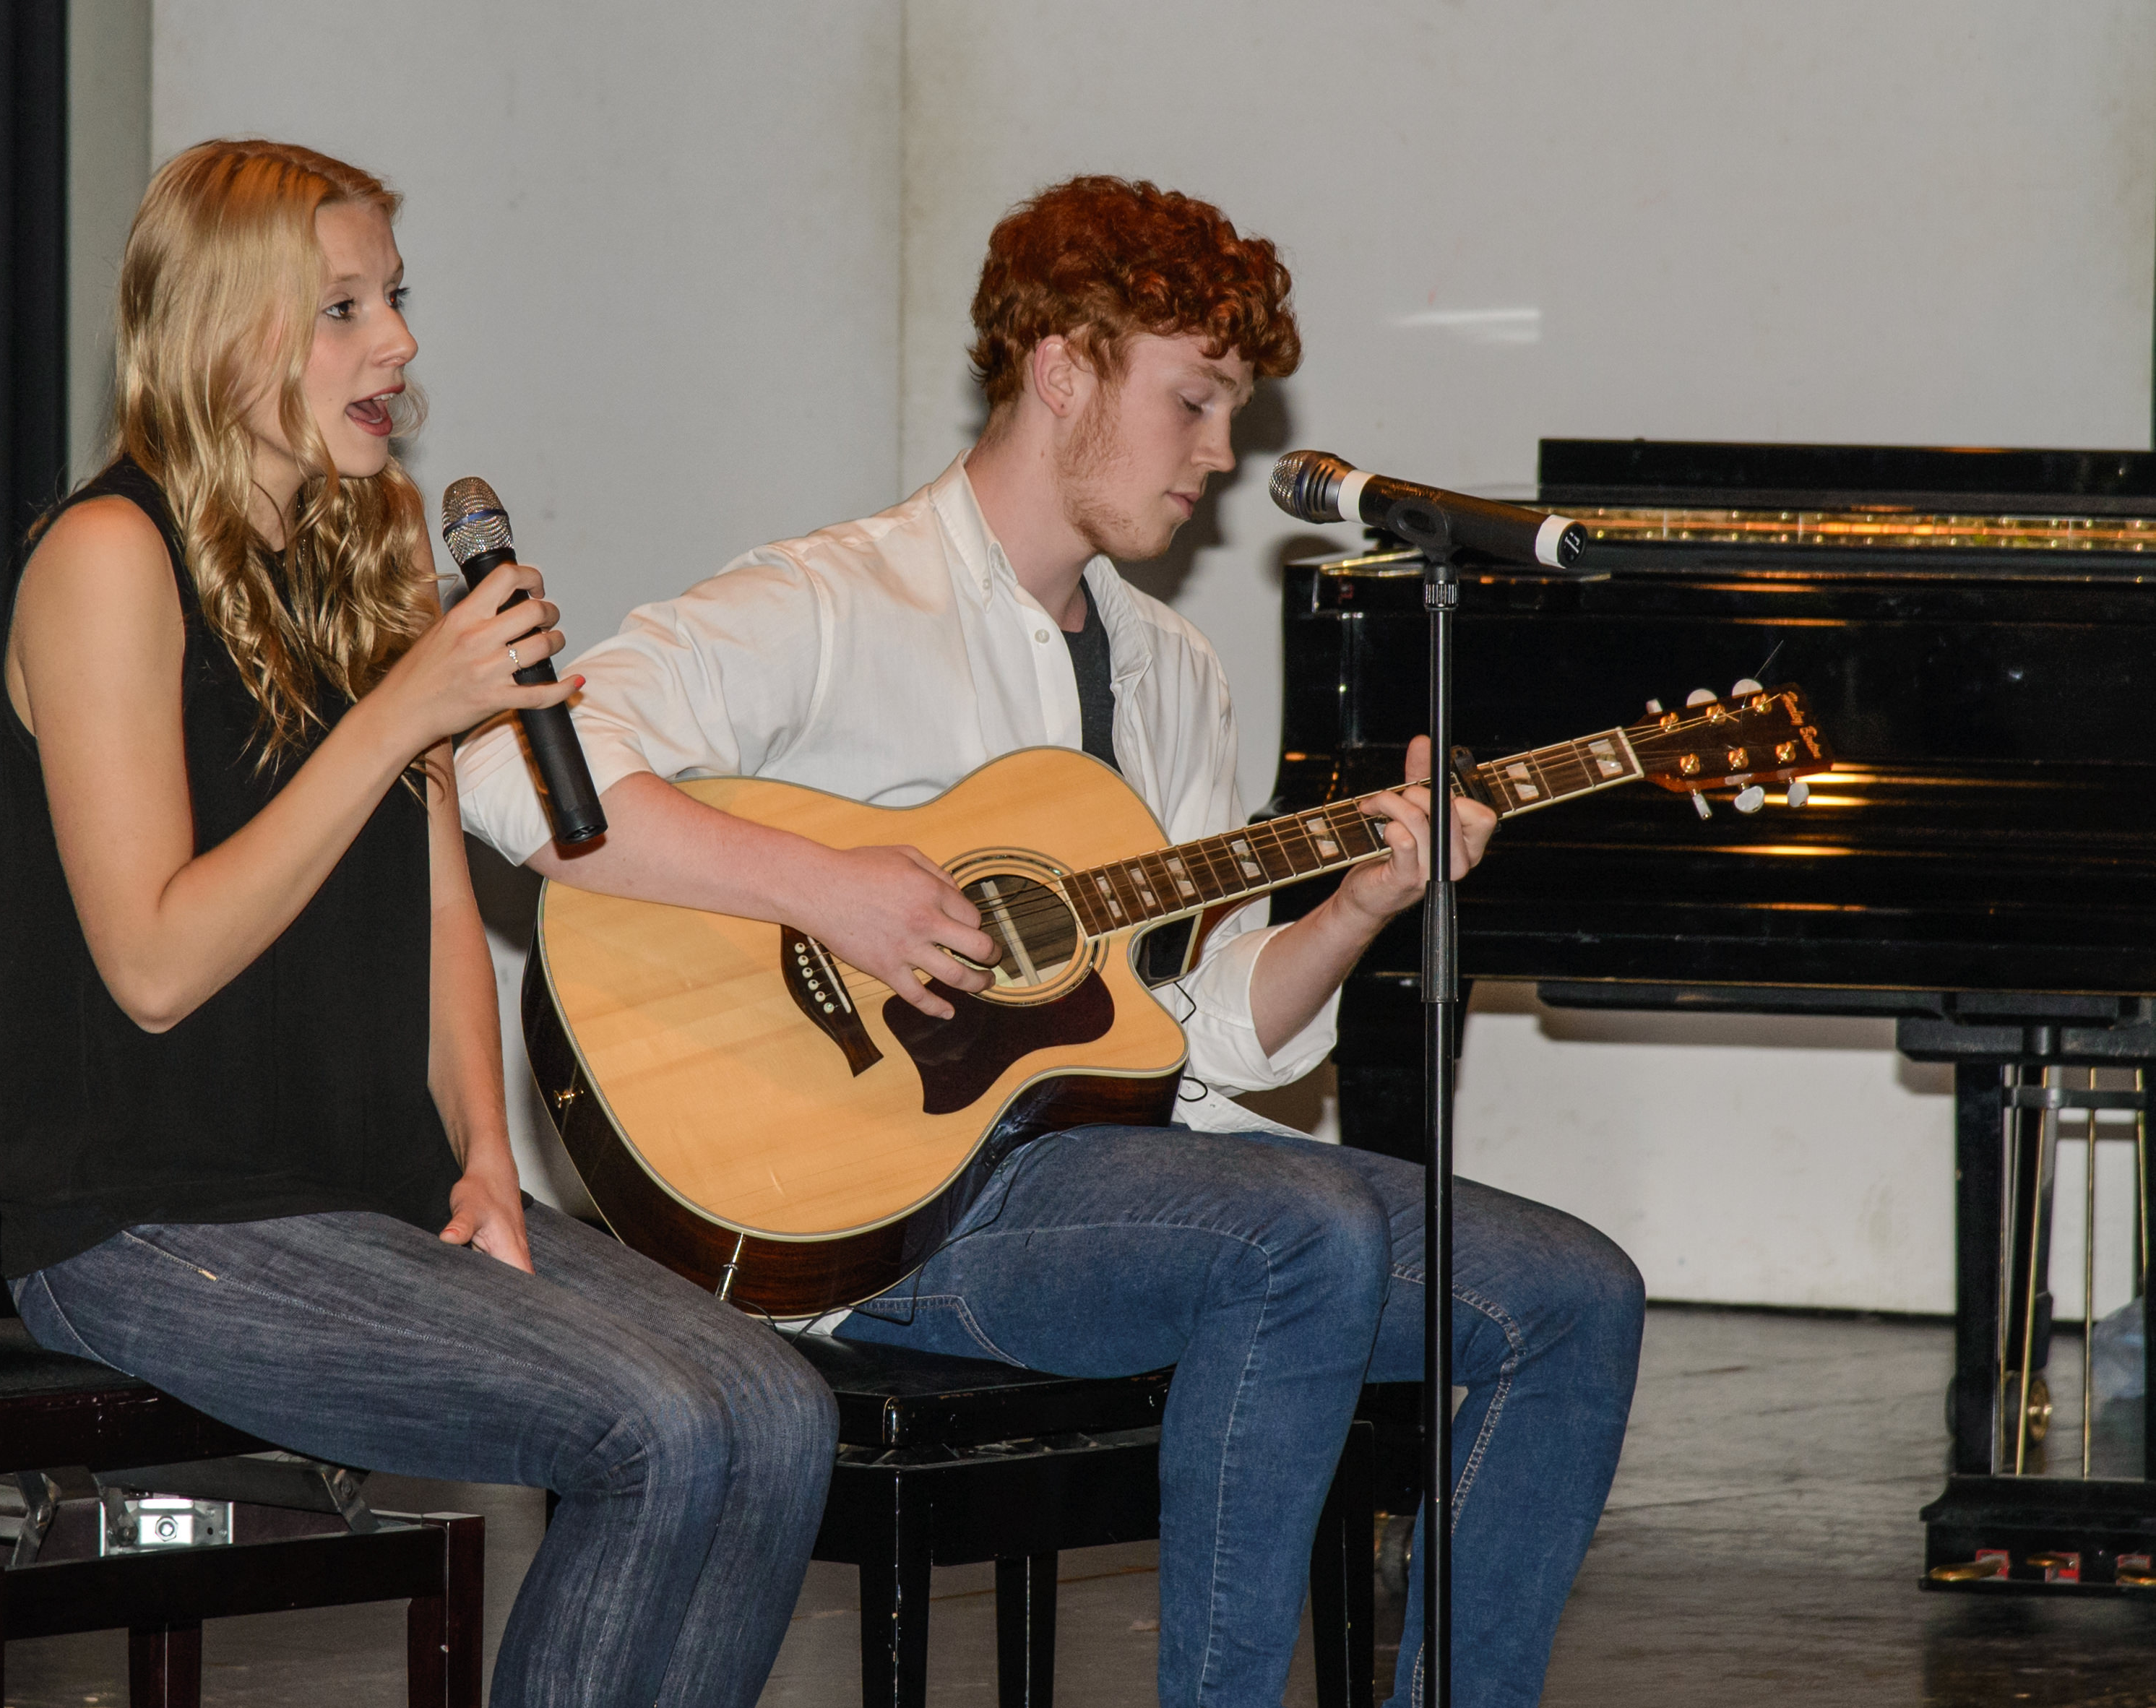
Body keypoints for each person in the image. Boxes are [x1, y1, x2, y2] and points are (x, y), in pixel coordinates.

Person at [457, 176, 1644, 1708]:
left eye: (1235, 414)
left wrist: (1360, 901)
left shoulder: (1172, 669)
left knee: (1575, 1296)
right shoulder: (831, 600)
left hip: (1131, 1176)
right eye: (1194, 402)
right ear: (1064, 368)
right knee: (1301, 1235)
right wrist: (826, 890)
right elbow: (514, 766)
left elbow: (1208, 1036)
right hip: (886, 1204)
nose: (1221, 456)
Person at [0, 139, 835, 1708]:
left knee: (779, 1412)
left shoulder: (363, 550)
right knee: (655, 1427)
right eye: (345, 308)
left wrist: (487, 1158)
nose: (399, 343)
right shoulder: (106, 557)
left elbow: (445, 903)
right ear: (221, 327)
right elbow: (155, 967)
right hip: (154, 1226)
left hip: (368, 1191)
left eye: (395, 298)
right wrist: (401, 712)